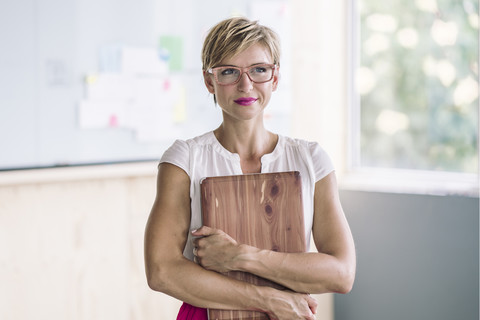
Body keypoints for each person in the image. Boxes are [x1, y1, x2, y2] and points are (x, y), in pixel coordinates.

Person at [144, 16, 356, 320]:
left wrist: (240, 257)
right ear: (209, 81)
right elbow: (161, 271)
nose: (246, 85)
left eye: (259, 70)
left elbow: (341, 274)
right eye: (229, 71)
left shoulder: (311, 159)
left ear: (275, 78)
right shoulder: (184, 160)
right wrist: (269, 300)